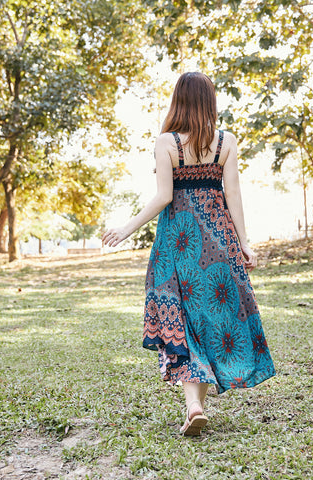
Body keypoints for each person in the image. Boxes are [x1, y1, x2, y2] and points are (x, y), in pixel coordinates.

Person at [102, 72, 275, 436]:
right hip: (219, 241)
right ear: (210, 101)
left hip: (177, 244)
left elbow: (165, 196)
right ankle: (195, 405)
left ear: (177, 100)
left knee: (181, 324)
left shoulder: (166, 143)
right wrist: (243, 242)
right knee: (210, 322)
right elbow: (234, 195)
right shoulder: (226, 141)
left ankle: (194, 405)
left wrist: (126, 227)